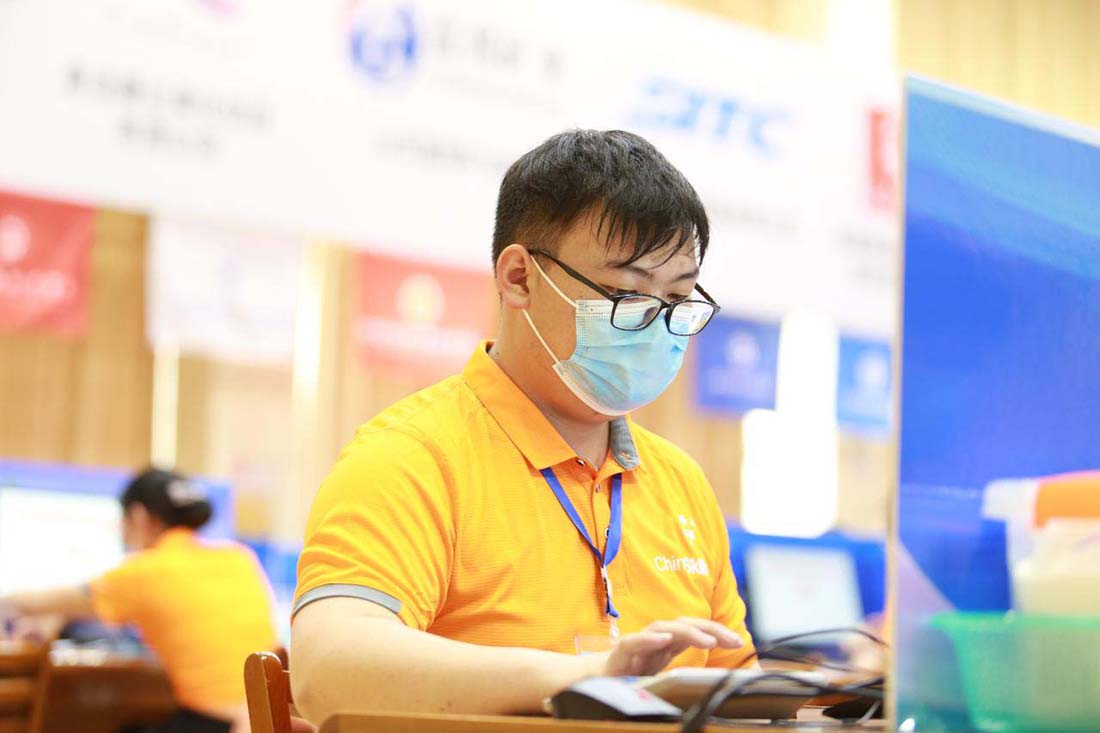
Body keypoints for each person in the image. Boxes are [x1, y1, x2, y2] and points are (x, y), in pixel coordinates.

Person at [290, 129, 757, 723]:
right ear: (519, 278)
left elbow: (744, 693)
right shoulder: (413, 456)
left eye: (677, 299)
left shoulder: (680, 482)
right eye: (628, 295)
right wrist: (581, 680)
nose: (658, 325)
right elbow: (328, 671)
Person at [0, 468, 278, 733]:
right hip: (261, 720)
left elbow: (36, 602)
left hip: (213, 723)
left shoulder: (145, 571)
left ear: (139, 516)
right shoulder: (238, 559)